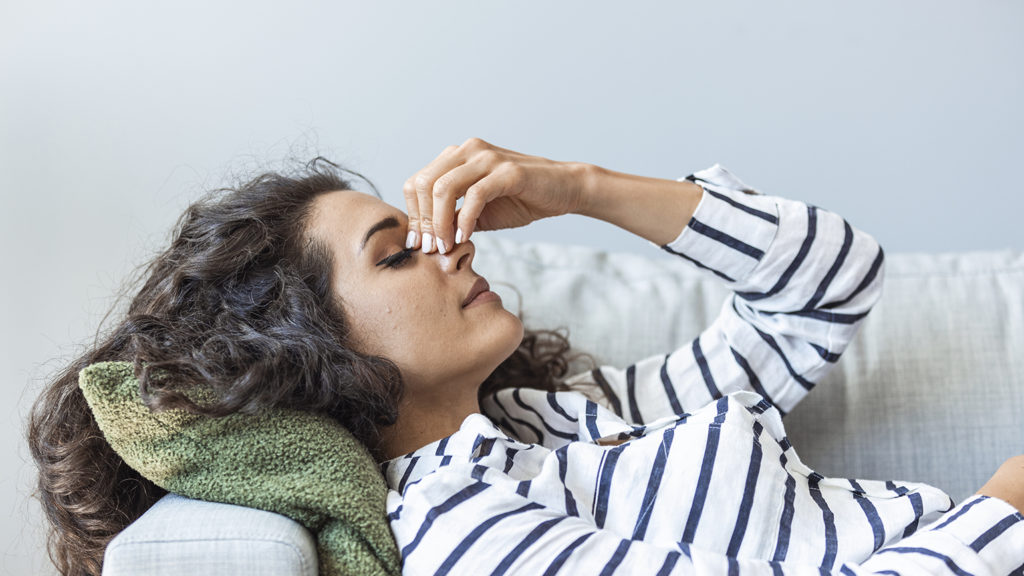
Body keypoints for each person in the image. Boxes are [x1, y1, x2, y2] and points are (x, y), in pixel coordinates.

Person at [28, 137, 1023, 576]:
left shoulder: (562, 417)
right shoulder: (465, 533)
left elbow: (829, 289)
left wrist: (581, 186)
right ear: (314, 348)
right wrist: (1005, 507)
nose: (450, 245)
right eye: (397, 254)